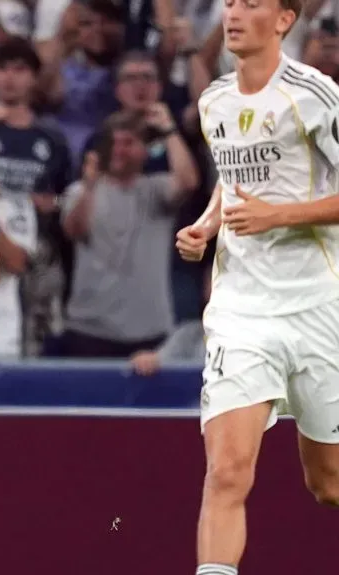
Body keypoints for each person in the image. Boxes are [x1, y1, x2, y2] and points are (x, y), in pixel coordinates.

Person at [176, 1, 339, 573]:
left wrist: (281, 216)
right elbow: (233, 178)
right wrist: (206, 224)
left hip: (318, 306)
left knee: (328, 484)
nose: (234, 13)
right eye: (229, 3)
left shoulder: (316, 96)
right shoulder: (213, 100)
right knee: (226, 470)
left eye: (252, 3)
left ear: (286, 19)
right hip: (241, 311)